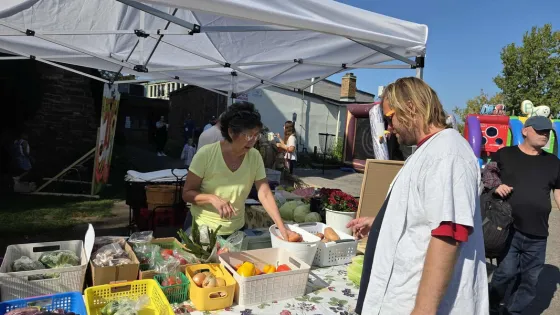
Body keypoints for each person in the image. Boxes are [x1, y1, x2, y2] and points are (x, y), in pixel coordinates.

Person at [346, 77, 488, 314]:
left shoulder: (448, 154)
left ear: (410, 107)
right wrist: (379, 222)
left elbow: (448, 235)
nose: (388, 127)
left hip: (416, 303)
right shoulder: (428, 151)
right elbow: (422, 213)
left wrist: (423, 310)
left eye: (389, 118)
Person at [182, 101, 291, 240]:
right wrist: (211, 198)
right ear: (231, 132)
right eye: (248, 135)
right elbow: (187, 193)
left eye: (256, 135)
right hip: (202, 230)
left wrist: (282, 228)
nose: (252, 141)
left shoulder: (254, 156)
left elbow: (264, 193)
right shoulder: (206, 154)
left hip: (235, 230)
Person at [488, 116, 560, 315]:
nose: (544, 135)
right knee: (506, 273)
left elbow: (558, 191)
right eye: (540, 130)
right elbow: (488, 175)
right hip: (508, 228)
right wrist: (496, 185)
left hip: (538, 232)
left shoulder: (553, 162)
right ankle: (492, 306)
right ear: (525, 131)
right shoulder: (505, 154)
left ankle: (512, 311)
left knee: (530, 280)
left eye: (547, 132)